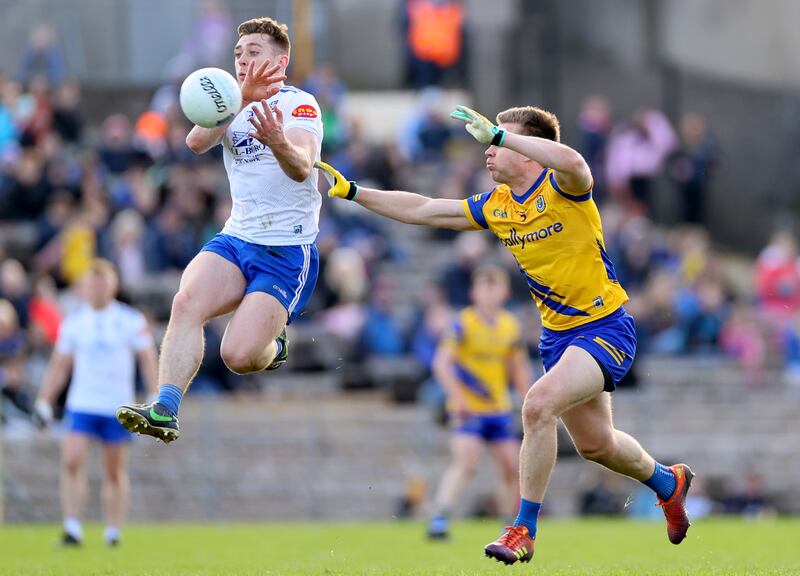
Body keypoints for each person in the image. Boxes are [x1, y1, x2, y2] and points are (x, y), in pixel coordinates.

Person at [316, 104, 694, 565]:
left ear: (532, 151)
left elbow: (575, 162)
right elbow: (424, 210)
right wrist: (355, 192)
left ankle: (523, 529)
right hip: (558, 340)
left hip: (604, 326)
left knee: (536, 405)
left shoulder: (561, 183)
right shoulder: (497, 206)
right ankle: (667, 483)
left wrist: (500, 136)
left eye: (499, 142)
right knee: (597, 445)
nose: (488, 153)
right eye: (489, 144)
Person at [115, 17, 323, 442]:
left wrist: (277, 140)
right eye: (238, 55)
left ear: (280, 61)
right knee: (186, 301)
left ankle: (274, 343)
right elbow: (195, 142)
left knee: (238, 356)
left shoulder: (300, 104)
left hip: (286, 250)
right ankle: (164, 408)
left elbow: (304, 168)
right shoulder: (230, 101)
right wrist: (240, 101)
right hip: (237, 237)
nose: (243, 61)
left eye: (253, 53)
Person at [34, 259, 158, 547]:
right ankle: (72, 526)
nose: (98, 288)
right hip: (83, 403)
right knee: (72, 460)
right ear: (85, 287)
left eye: (102, 282)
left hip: (116, 405)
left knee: (114, 471)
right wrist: (44, 399)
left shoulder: (130, 320)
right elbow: (60, 365)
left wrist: (155, 394)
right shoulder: (75, 322)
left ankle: (113, 530)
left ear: (112, 285)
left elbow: (147, 359)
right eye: (93, 282)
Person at [427, 265, 530, 540]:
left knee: (511, 466)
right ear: (474, 292)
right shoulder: (463, 323)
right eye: (484, 286)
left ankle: (508, 526)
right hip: (468, 409)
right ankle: (439, 518)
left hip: (497, 408)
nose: (489, 292)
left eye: (494, 286)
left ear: (505, 292)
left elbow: (517, 368)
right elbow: (441, 364)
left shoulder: (510, 325)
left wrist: (527, 400)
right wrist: (458, 398)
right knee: (466, 463)